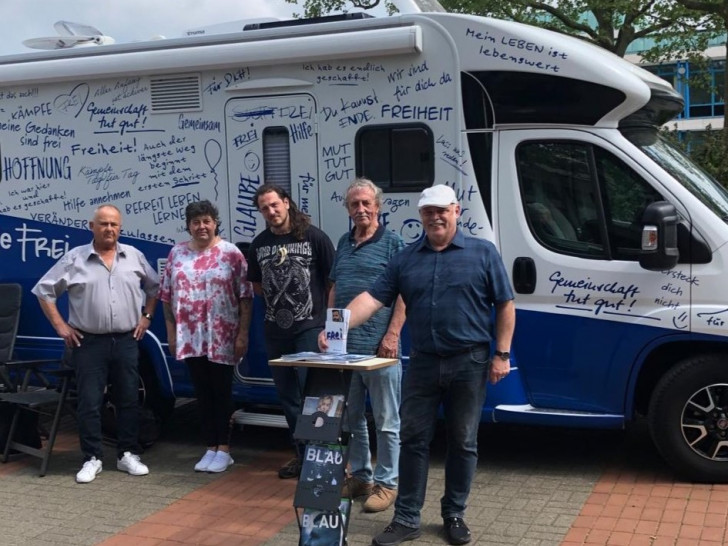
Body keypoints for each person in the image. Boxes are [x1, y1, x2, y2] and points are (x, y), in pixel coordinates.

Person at [344, 185, 516, 546]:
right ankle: (406, 519)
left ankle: (454, 514)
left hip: (469, 361)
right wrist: (339, 324)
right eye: (428, 212)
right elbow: (373, 299)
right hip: (422, 362)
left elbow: (504, 304)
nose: (435, 217)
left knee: (463, 441)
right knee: (413, 439)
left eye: (441, 210)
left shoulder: (483, 253)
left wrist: (502, 354)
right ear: (420, 216)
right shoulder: (406, 258)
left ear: (456, 211)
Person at [32, 204, 159, 484]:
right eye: (103, 224)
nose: (109, 229)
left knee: (128, 400)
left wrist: (147, 317)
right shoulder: (75, 259)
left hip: (126, 340)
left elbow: (155, 288)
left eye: (114, 224)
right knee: (89, 403)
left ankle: (127, 454)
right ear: (92, 226)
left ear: (120, 228)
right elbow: (44, 291)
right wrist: (61, 327)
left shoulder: (134, 257)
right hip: (88, 343)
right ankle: (92, 458)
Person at [318, 178, 405, 513]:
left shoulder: (393, 244)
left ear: (378, 206)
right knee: (351, 417)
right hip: (345, 350)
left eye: (366, 203)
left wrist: (393, 333)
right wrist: (329, 330)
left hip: (380, 350)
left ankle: (387, 484)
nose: (361, 210)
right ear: (348, 209)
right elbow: (334, 291)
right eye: (354, 204)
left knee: (386, 420)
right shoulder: (343, 242)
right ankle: (362, 477)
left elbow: (404, 294)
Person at [247, 183, 335, 479]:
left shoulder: (314, 237)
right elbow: (257, 285)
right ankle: (303, 455)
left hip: (309, 328)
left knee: (315, 396)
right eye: (264, 208)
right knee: (288, 397)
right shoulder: (259, 245)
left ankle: (321, 458)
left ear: (286, 203)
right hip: (276, 332)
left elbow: (331, 280)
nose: (271, 212)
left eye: (274, 205)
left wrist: (325, 322)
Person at [160, 200, 253, 473]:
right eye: (196, 222)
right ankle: (209, 446)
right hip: (190, 336)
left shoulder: (231, 253)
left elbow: (245, 297)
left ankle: (224, 449)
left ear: (215, 222)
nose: (202, 226)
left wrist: (242, 334)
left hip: (222, 335)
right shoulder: (177, 253)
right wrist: (172, 334)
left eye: (206, 221)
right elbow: (166, 296)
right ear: (188, 225)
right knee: (201, 393)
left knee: (221, 392)